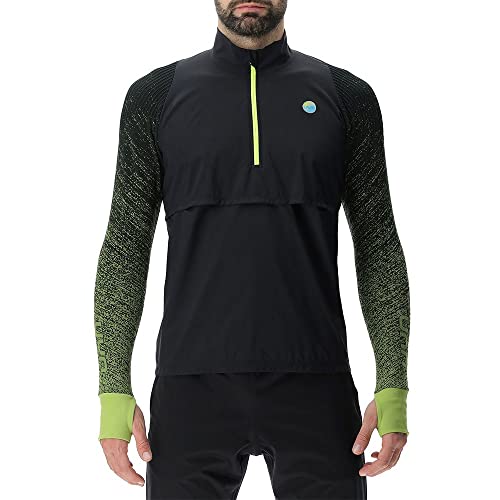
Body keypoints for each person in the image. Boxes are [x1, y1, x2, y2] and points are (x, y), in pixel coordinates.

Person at [94, 1, 411, 498]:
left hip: (317, 382)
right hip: (190, 385)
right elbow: (125, 246)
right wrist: (113, 389)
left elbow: (378, 244)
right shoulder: (155, 97)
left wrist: (392, 384)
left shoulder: (346, 96)